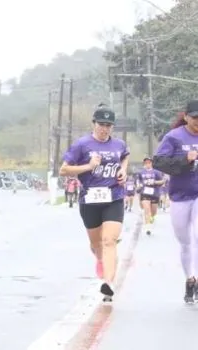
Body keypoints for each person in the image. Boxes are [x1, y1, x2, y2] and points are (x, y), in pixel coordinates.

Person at [153, 101, 198, 304]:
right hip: (180, 195)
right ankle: (189, 279)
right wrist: (185, 159)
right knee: (185, 242)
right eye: (195, 117)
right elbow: (158, 161)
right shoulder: (174, 137)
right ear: (186, 117)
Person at [60, 105, 129, 301]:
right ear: (94, 124)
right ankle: (100, 260)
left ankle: (108, 283)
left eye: (108, 125)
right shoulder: (82, 145)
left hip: (113, 197)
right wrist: (89, 166)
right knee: (96, 243)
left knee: (110, 240)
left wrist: (123, 171)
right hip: (89, 199)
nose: (104, 128)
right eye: (101, 124)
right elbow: (64, 170)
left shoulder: (119, 144)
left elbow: (125, 157)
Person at [137, 157, 165, 235]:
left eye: (149, 162)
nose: (147, 164)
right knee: (147, 210)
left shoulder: (156, 172)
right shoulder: (141, 173)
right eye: (146, 163)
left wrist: (154, 182)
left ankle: (151, 219)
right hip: (144, 193)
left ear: (152, 163)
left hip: (154, 193)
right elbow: (138, 181)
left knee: (153, 212)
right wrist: (138, 185)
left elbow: (162, 181)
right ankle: (148, 227)